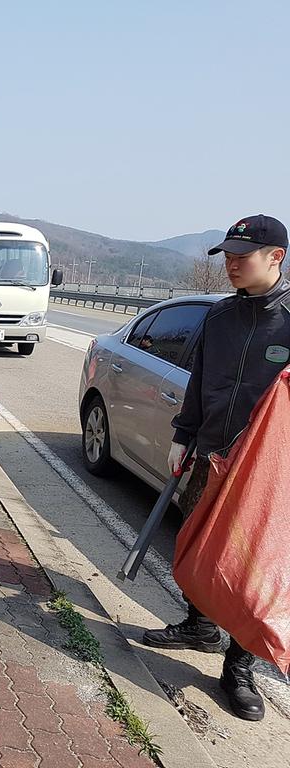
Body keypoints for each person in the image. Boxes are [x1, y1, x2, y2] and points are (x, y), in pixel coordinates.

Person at [141, 214, 290, 722]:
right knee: (200, 544)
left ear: (276, 257)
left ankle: (238, 666)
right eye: (225, 255)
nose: (230, 264)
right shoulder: (221, 317)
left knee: (251, 568)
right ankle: (199, 625)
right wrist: (184, 437)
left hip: (265, 474)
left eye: (240, 257)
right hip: (210, 455)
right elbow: (201, 379)